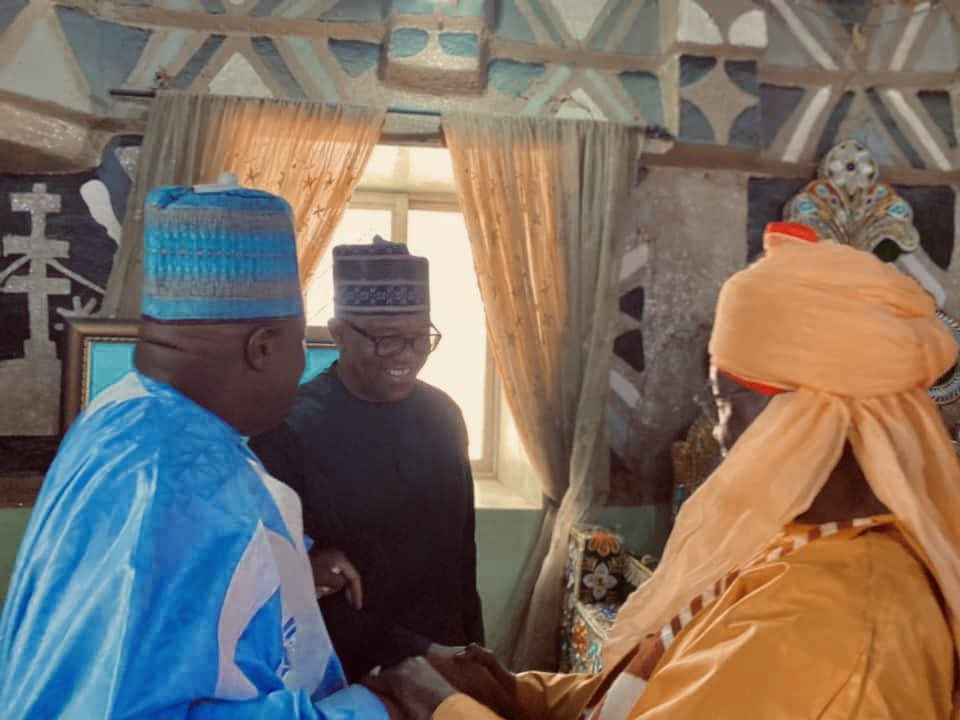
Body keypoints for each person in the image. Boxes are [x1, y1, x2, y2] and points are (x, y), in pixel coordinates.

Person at [366, 221, 960, 718]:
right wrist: (517, 694)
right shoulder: (796, 547)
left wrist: (439, 702)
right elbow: (660, 692)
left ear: (807, 417)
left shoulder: (837, 625)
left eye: (727, 403)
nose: (719, 432)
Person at [0, 184, 390, 718]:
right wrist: (377, 708)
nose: (304, 367)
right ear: (262, 348)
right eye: (300, 344)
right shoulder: (181, 479)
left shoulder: (126, 413)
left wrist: (286, 575)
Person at [249, 236, 484, 685]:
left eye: (419, 339)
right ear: (337, 333)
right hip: (344, 674)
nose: (405, 357)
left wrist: (471, 650)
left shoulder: (443, 415)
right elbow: (272, 581)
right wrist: (300, 566)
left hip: (444, 657)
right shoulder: (286, 430)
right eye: (385, 340)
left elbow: (462, 559)